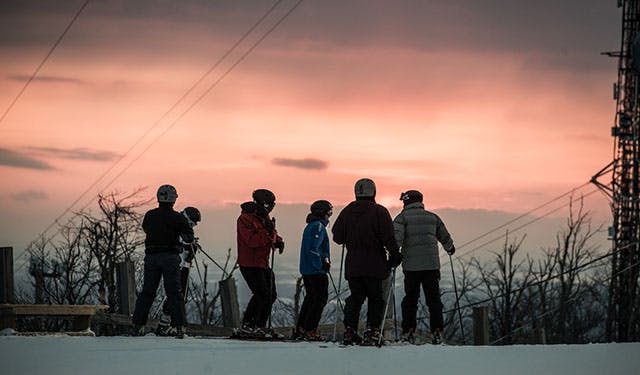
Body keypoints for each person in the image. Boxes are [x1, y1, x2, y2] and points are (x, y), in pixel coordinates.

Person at [332, 178, 402, 345]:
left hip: (353, 264)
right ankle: (372, 330)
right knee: (375, 298)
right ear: (374, 192)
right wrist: (395, 254)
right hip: (375, 263)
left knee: (355, 298)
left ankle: (350, 330)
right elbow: (388, 237)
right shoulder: (379, 211)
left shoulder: (347, 211)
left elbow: (338, 237)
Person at [393, 190, 455, 345]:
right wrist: (450, 248)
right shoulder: (432, 217)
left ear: (406, 202)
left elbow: (396, 240)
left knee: (410, 300)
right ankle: (437, 331)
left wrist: (393, 255)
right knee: (434, 300)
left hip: (411, 268)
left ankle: (408, 332)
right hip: (431, 266)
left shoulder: (402, 218)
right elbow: (445, 237)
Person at [132, 184, 194, 338]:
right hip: (170, 257)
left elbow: (146, 228)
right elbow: (188, 237)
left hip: (151, 257)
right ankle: (180, 327)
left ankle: (138, 325)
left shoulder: (150, 215)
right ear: (173, 200)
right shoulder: (178, 218)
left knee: (147, 292)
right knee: (174, 292)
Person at [235, 189, 285, 338]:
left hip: (262, 262)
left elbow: (271, 234)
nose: (270, 209)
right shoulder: (245, 219)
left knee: (271, 294)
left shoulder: (265, 218)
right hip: (249, 263)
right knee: (261, 293)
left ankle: (260, 326)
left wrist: (278, 241)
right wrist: (268, 234)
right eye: (268, 205)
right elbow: (251, 241)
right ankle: (248, 325)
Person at [155, 206, 201, 336]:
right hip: (175, 265)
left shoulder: (184, 227)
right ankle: (166, 325)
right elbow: (174, 242)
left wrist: (191, 249)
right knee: (175, 296)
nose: (194, 225)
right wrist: (187, 246)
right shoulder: (176, 225)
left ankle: (170, 324)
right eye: (193, 221)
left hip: (183, 265)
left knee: (181, 297)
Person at [293, 200, 333, 341]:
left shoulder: (312, 225)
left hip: (308, 269)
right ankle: (310, 329)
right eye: (329, 212)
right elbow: (313, 248)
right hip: (315, 271)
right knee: (319, 299)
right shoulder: (317, 227)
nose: (330, 216)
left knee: (310, 298)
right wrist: (321, 264)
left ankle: (302, 327)